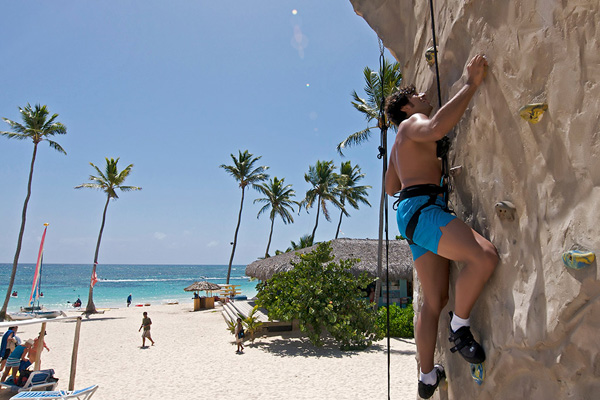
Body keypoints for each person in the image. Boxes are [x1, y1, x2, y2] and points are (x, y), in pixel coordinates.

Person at [384, 54, 499, 399]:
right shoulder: (411, 124)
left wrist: (413, 158)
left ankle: (427, 375)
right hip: (424, 208)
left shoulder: (398, 141)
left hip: (411, 214)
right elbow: (435, 128)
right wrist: (470, 84)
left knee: (434, 300)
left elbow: (391, 187)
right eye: (416, 96)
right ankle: (460, 328)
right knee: (484, 257)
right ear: (405, 108)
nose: (423, 97)